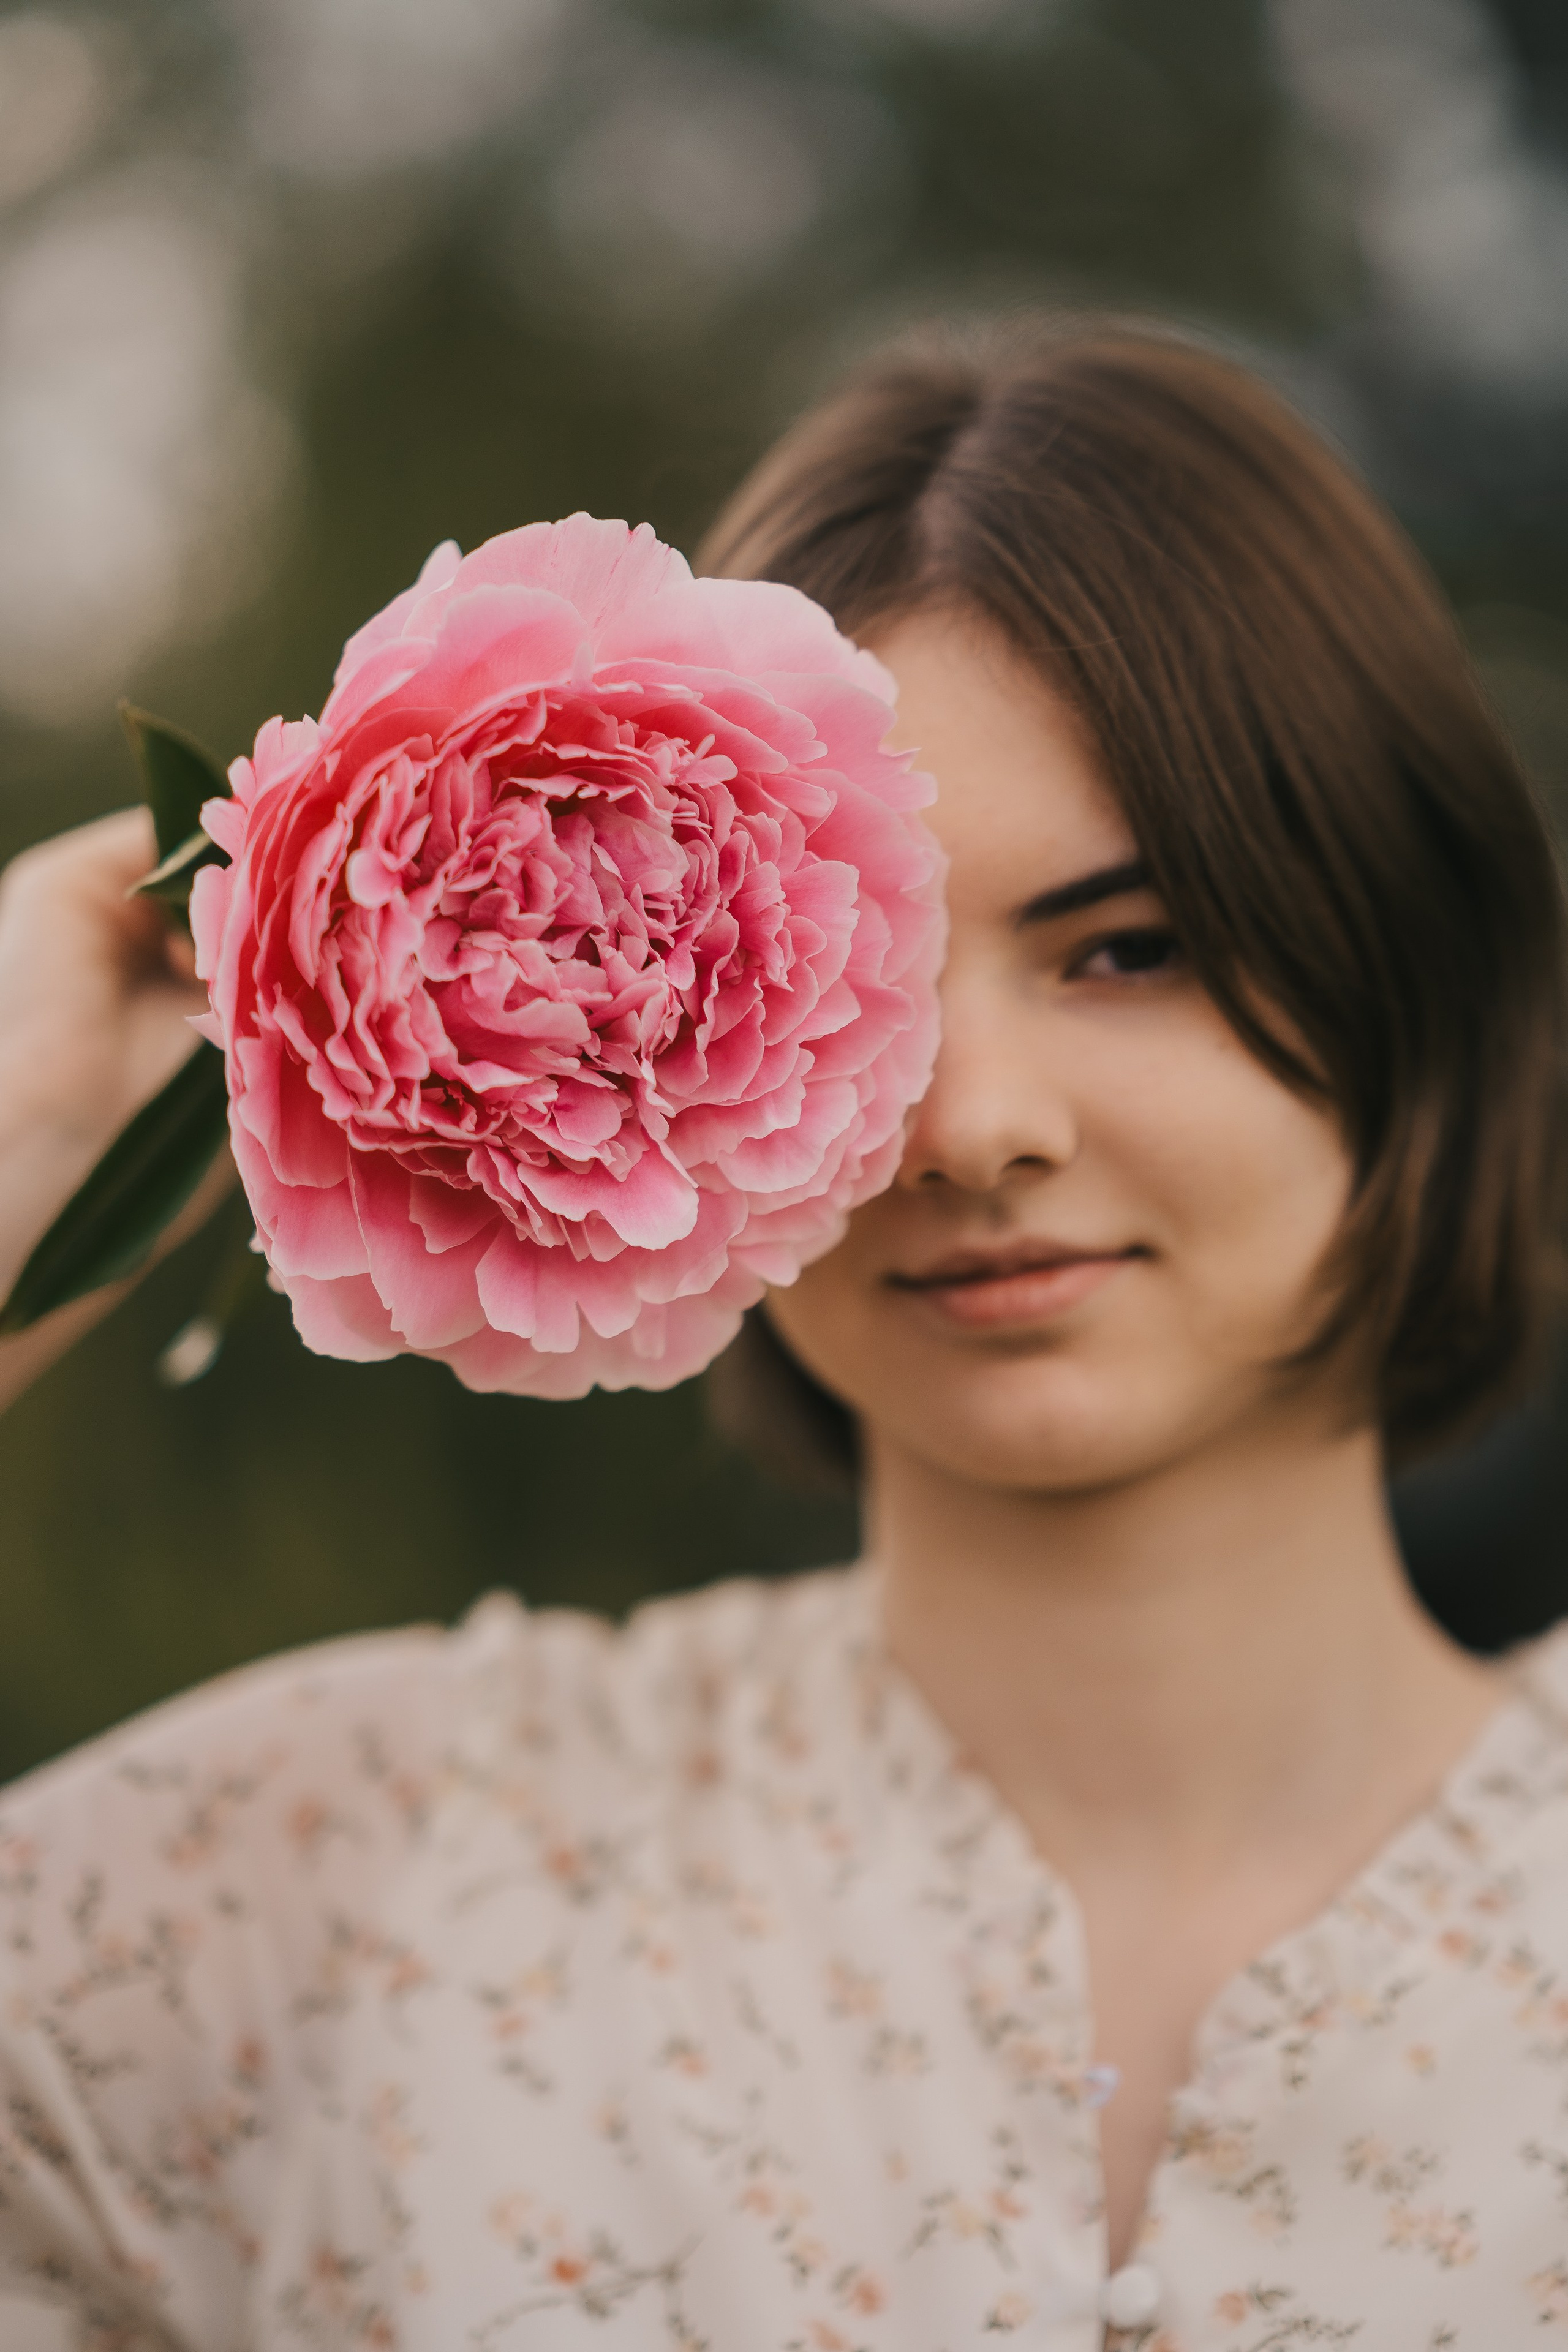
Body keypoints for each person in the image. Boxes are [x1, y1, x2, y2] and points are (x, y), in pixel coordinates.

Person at [0, 323, 1565, 2351]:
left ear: (1407, 954)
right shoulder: (326, 1880)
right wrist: (29, 1142)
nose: (981, 1124)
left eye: (1133, 947)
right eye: (883, 964)